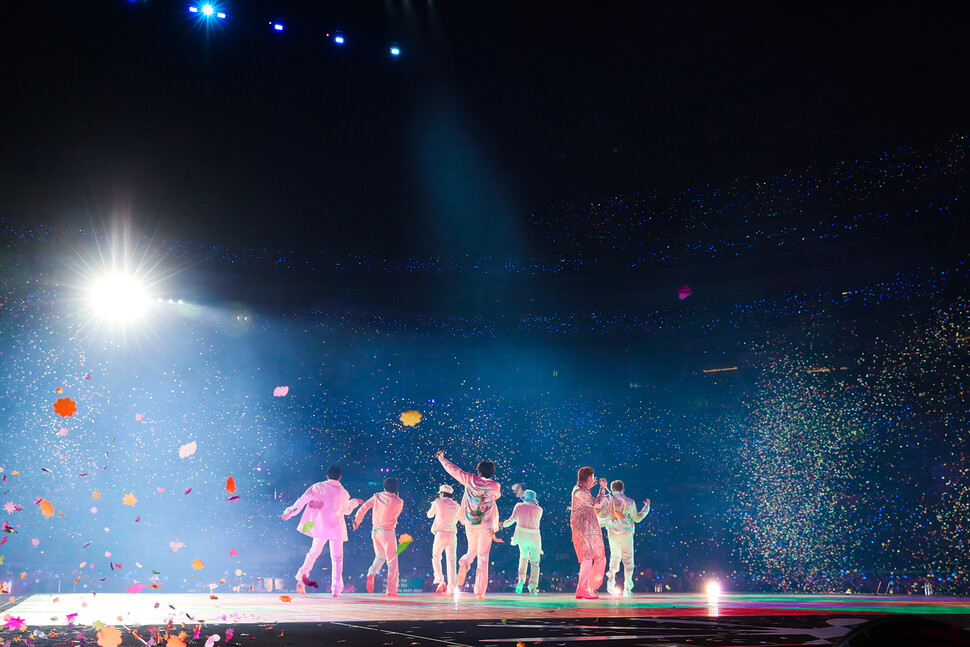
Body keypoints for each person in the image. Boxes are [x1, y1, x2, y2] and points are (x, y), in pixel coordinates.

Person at [281, 465, 362, 597]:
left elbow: (301, 502)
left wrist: (288, 513)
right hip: (336, 528)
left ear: (327, 476)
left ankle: (302, 577)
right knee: (337, 559)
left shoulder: (317, 487)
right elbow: (347, 510)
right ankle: (336, 590)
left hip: (321, 527)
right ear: (340, 477)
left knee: (313, 553)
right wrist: (355, 502)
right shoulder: (343, 492)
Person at [435, 450, 501, 599]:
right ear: (492, 473)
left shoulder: (470, 479)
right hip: (486, 525)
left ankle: (464, 561)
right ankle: (479, 592)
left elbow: (453, 470)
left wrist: (441, 458)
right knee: (483, 557)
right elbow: (495, 496)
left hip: (471, 524)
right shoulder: (495, 486)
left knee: (472, 549)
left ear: (478, 471)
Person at [353, 477, 406, 595]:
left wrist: (357, 520)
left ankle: (371, 573)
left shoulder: (377, 497)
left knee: (380, 556)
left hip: (375, 532)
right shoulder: (399, 501)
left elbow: (364, 507)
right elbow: (396, 514)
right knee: (392, 561)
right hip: (388, 533)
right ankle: (391, 591)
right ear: (396, 488)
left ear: (384, 487)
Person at [599, 480, 650, 596]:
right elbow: (637, 518)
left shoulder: (607, 499)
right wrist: (646, 507)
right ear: (623, 489)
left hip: (612, 532)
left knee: (615, 558)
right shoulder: (629, 502)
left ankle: (611, 585)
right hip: (626, 533)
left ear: (612, 489)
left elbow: (600, 513)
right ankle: (627, 589)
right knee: (628, 561)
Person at [570, 466, 609, 600]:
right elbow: (597, 504)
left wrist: (592, 487)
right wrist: (602, 489)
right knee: (587, 558)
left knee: (600, 557)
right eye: (592, 477)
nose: (593, 480)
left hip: (590, 529)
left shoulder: (582, 490)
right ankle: (583, 590)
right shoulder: (579, 492)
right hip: (582, 529)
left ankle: (589, 587)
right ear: (587, 478)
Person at [500, 489, 543, 595]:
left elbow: (512, 519)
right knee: (535, 562)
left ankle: (520, 581)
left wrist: (503, 524)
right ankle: (533, 586)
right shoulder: (539, 509)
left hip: (522, 536)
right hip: (534, 537)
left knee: (523, 558)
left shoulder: (519, 506)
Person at [427, 484, 461, 594]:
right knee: (451, 561)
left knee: (436, 557)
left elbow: (429, 515)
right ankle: (452, 588)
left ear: (441, 494)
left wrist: (435, 503)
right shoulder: (457, 506)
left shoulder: (437, 503)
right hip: (452, 534)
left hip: (440, 533)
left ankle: (440, 580)